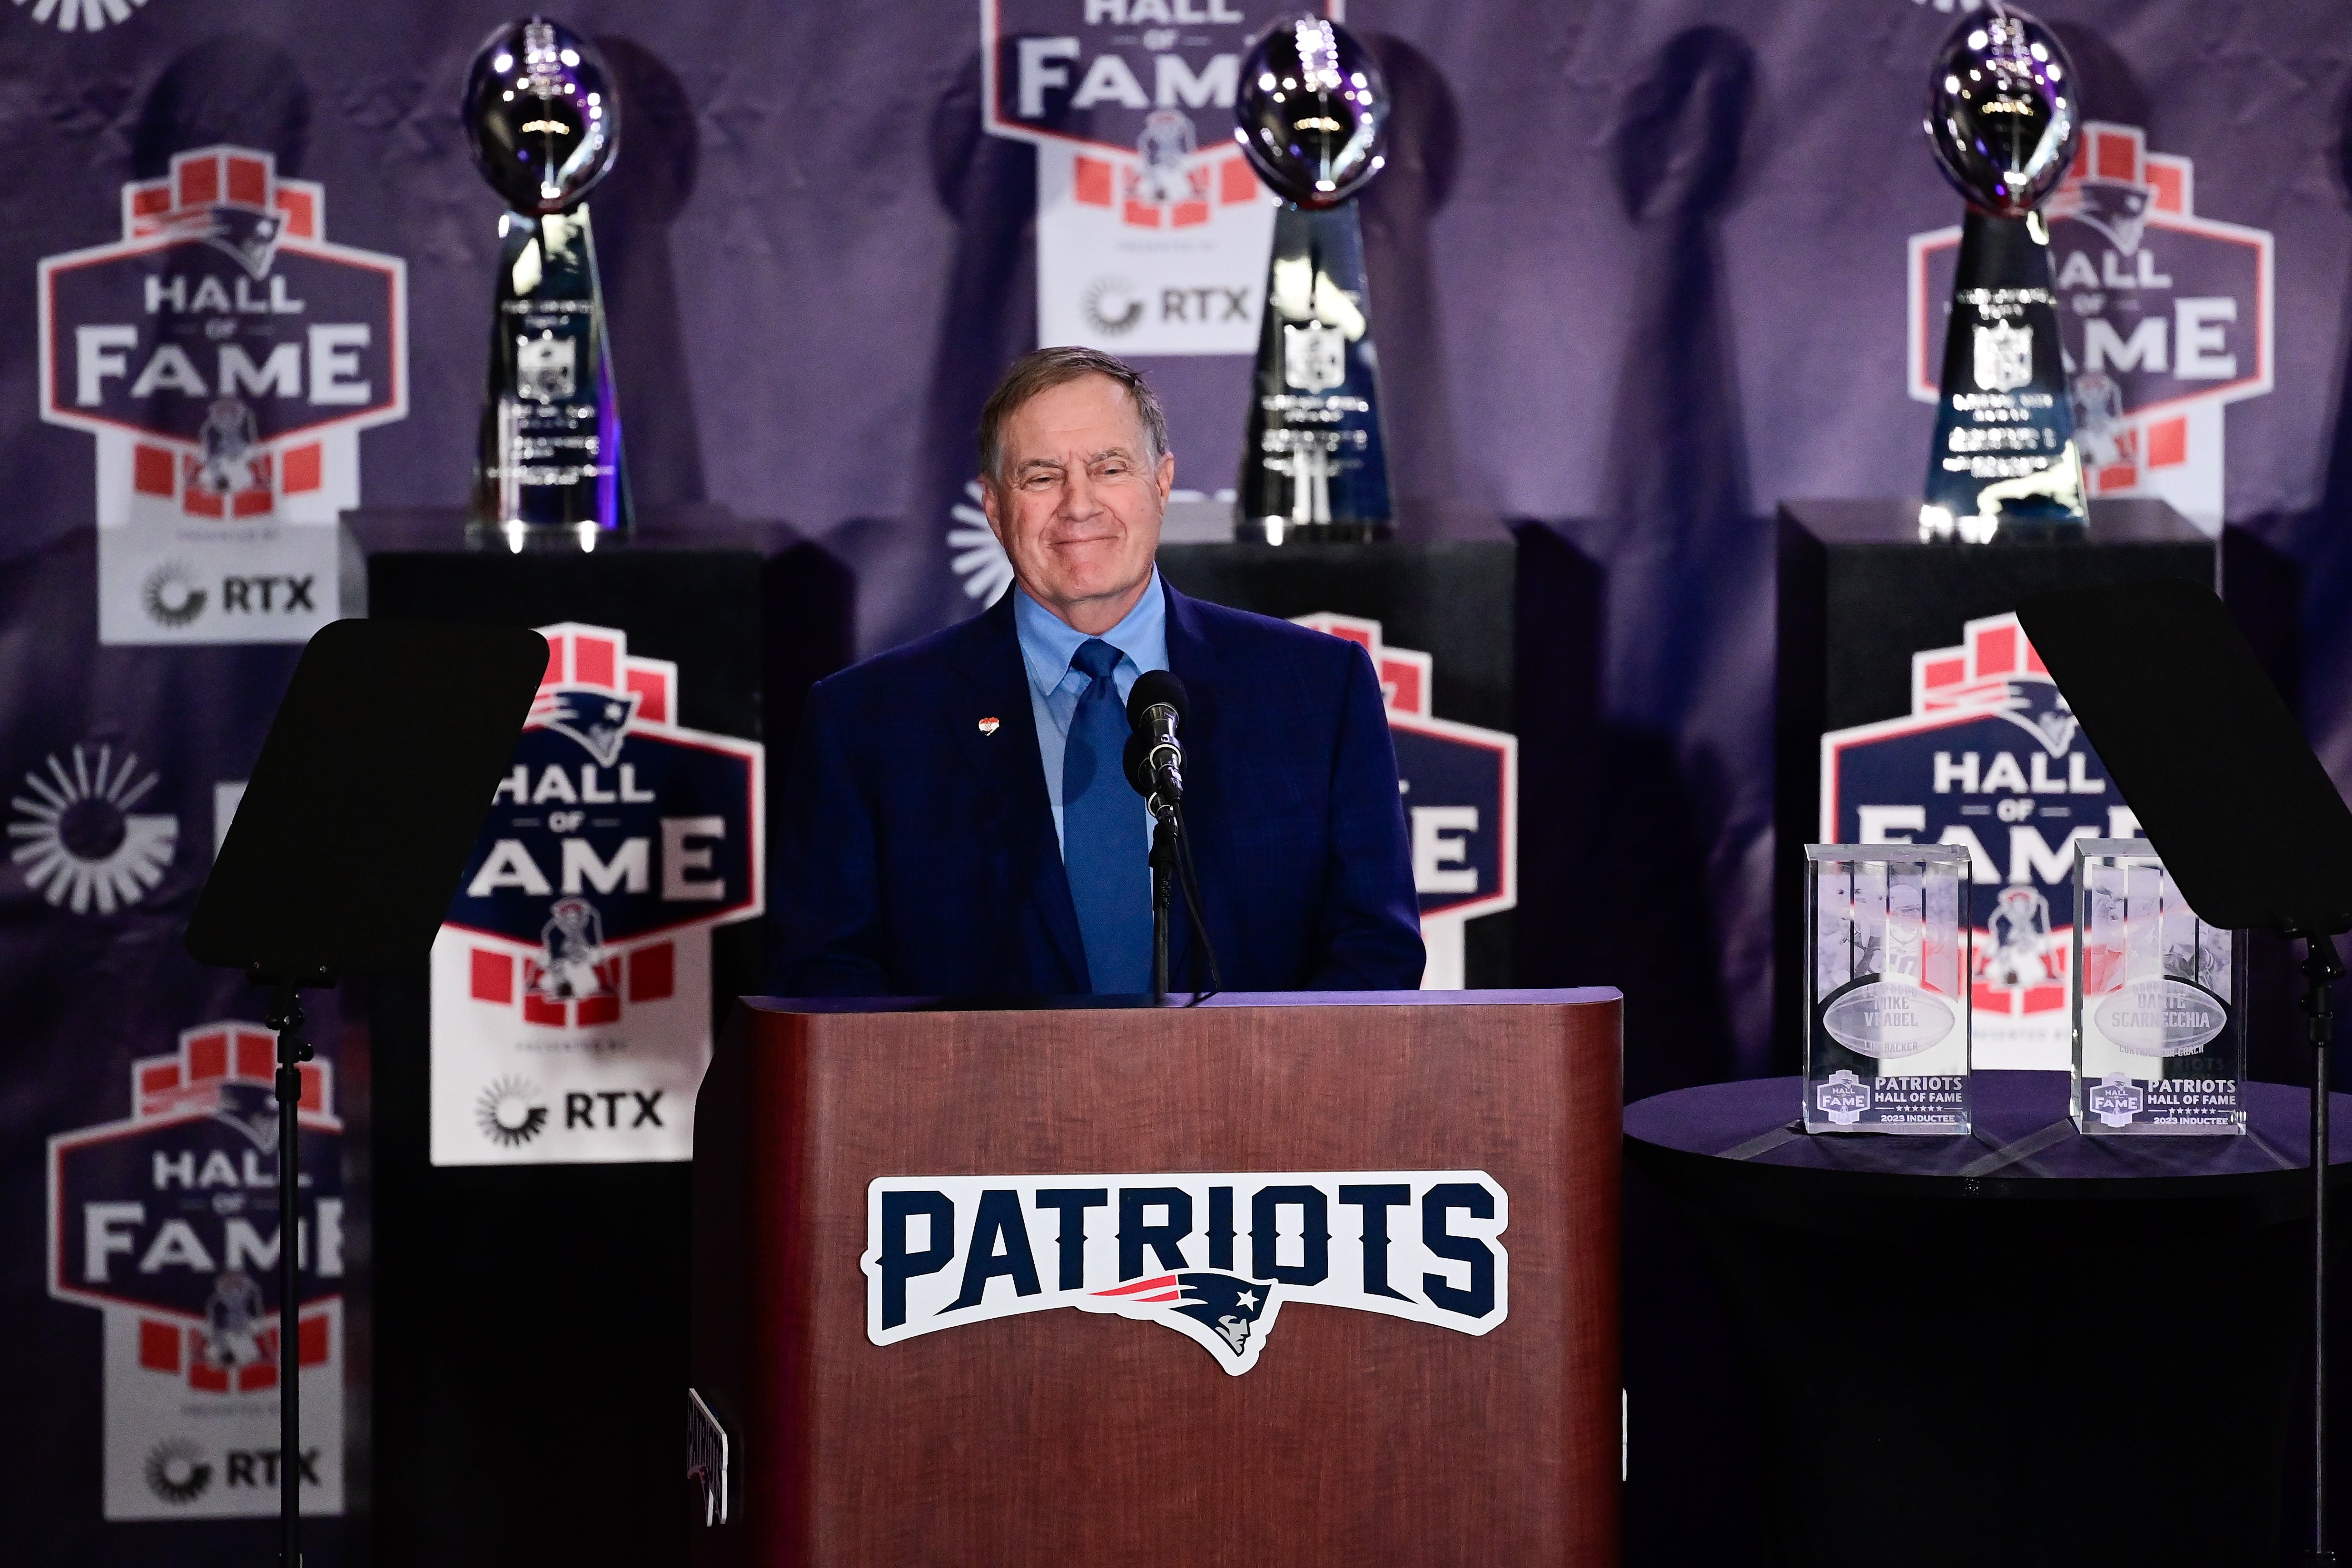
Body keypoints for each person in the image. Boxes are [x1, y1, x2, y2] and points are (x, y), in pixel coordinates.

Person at [770, 345, 1423, 996]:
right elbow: (828, 980)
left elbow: (1373, 949)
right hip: (981, 1099)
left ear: (1161, 484)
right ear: (994, 507)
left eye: (1109, 469)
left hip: (1254, 1095)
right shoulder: (868, 722)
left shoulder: (1314, 688)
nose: (1078, 506)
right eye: (1041, 477)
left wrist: (1260, 1088)